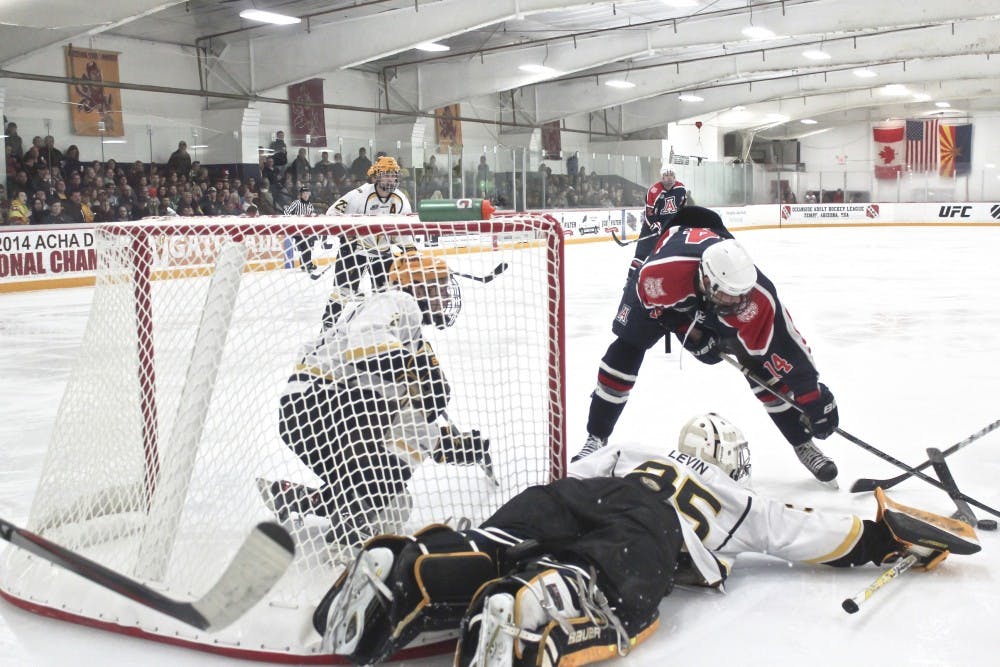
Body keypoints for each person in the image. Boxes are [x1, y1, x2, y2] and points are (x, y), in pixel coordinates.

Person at [316, 413, 980, 667]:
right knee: (610, 588)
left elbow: (579, 471)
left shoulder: (635, 446)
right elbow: (810, 533)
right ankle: (539, 603)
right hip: (647, 523)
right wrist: (887, 536)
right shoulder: (735, 495)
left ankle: (407, 568)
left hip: (575, 492)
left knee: (495, 542)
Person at [577, 205, 840, 484]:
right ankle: (596, 436)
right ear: (706, 279)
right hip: (668, 290)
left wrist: (812, 396)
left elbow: (787, 347)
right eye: (729, 296)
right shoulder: (659, 275)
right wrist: (688, 332)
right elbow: (655, 307)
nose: (738, 303)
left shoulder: (755, 296)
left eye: (741, 295)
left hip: (701, 277)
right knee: (625, 350)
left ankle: (802, 443)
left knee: (761, 366)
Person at [258, 251, 488, 548]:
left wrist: (447, 444)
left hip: (304, 413)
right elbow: (365, 342)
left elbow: (406, 414)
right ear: (418, 287)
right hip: (326, 403)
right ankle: (346, 540)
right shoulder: (399, 302)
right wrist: (414, 371)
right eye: (439, 286)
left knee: (393, 498)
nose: (445, 295)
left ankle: (300, 498)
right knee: (385, 495)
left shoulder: (402, 328)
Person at [323, 156, 413, 326]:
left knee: (385, 295)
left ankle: (383, 331)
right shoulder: (359, 195)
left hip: (383, 253)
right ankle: (326, 330)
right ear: (376, 176)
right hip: (355, 251)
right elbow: (331, 213)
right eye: (386, 174)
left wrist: (410, 252)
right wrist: (346, 232)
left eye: (393, 175)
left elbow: (404, 234)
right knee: (342, 293)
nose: (391, 179)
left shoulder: (401, 200)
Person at [284, 185, 317, 272]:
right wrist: (293, 220)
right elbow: (286, 212)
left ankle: (305, 264)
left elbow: (312, 216)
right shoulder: (296, 203)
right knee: (305, 247)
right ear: (301, 195)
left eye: (307, 193)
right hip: (296, 230)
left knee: (306, 247)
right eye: (304, 193)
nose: (305, 195)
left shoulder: (310, 205)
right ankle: (307, 264)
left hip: (306, 230)